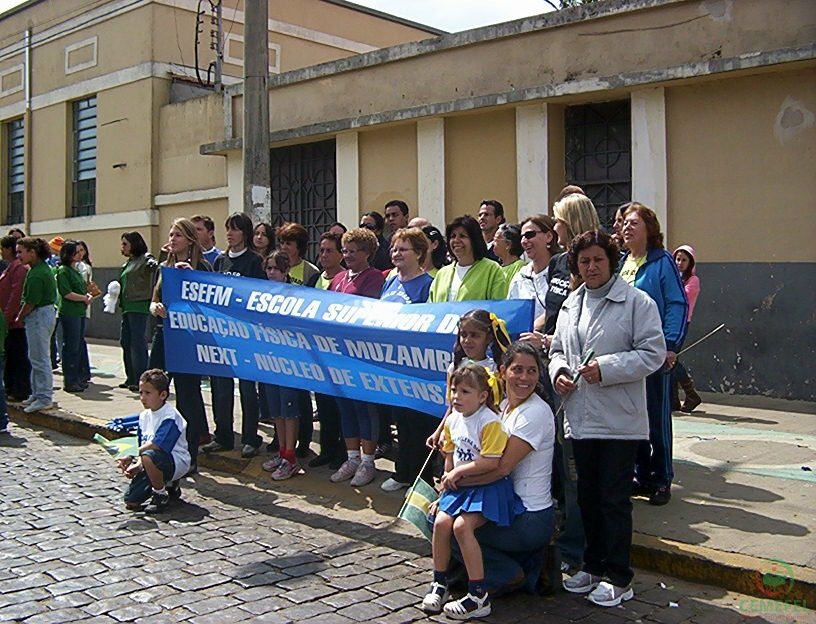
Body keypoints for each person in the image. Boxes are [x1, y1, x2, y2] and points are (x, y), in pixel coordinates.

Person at [550, 230, 665, 607]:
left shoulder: (637, 302)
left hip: (619, 419)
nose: (591, 267)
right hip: (581, 417)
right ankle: (593, 564)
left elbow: (652, 354)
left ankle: (619, 575)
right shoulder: (572, 303)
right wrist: (559, 372)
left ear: (611, 261)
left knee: (613, 499)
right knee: (587, 497)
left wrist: (607, 368)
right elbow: (557, 349)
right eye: (584, 261)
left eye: (598, 259)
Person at [448, 342, 556, 596]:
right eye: (517, 369)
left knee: (445, 523)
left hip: (528, 515)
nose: (524, 377)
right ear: (502, 371)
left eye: (532, 371)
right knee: (444, 516)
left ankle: (506, 573)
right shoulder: (504, 406)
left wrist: (453, 486)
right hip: (504, 501)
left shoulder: (535, 413)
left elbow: (501, 469)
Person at [423, 363, 522, 620]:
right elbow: (450, 456)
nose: (457, 397)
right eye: (454, 390)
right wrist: (445, 488)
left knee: (462, 527)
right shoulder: (452, 420)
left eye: (465, 392)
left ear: (482, 396)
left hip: (487, 487)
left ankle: (478, 593)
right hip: (461, 487)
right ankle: (439, 581)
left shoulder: (490, 423)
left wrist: (458, 473)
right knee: (441, 523)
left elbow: (490, 461)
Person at [620, 202, 688, 506]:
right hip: (625, 355)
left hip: (653, 353)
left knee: (656, 418)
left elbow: (676, 303)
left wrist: (670, 345)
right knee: (632, 418)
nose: (627, 227)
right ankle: (640, 473)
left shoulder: (662, 262)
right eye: (624, 223)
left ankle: (661, 479)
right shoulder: (622, 263)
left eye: (634, 223)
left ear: (649, 229)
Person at [149, 218, 211, 471]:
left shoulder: (202, 268)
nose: (172, 239)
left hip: (187, 340)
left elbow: (210, 306)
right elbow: (153, 300)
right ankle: (156, 450)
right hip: (163, 336)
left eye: (178, 235)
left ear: (190, 240)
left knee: (188, 398)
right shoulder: (164, 267)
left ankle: (190, 455)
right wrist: (155, 307)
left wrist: (191, 278)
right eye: (171, 234)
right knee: (154, 390)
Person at [202, 213, 266, 457]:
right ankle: (223, 436)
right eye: (228, 228)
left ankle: (250, 438)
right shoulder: (220, 261)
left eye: (236, 229)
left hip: (246, 335)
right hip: (222, 333)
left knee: (248, 389)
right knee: (221, 388)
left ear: (245, 233)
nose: (230, 233)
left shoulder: (254, 261)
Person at [379, 228, 436, 492]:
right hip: (393, 364)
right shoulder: (390, 281)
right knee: (401, 421)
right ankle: (403, 472)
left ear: (419, 253)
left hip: (417, 365)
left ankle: (422, 480)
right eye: (394, 249)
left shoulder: (427, 284)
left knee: (419, 424)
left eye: (403, 249)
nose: (396, 253)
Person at [328, 228, 385, 486]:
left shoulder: (374, 278)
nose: (348, 255)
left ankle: (368, 461)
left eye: (353, 251)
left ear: (367, 253)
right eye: (345, 250)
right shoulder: (338, 278)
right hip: (337, 353)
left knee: (364, 407)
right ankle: (351, 458)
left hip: (362, 354)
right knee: (345, 405)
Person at [427, 309, 511, 449]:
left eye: (475, 335)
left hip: (484, 435)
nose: (467, 340)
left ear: (489, 338)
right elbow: (452, 406)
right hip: (457, 432)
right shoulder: (455, 367)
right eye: (463, 334)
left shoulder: (496, 370)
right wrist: (440, 431)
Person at [260, 251, 309, 481]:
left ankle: (291, 456)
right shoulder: (261, 294)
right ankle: (282, 452)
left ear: (286, 271)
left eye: (276, 269)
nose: (272, 273)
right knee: (277, 411)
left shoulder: (294, 295)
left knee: (289, 411)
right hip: (269, 359)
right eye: (268, 268)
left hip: (288, 361)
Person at [119, 369, 191, 514]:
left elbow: (157, 445)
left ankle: (160, 495)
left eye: (148, 393)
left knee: (150, 456)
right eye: (141, 393)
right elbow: (143, 444)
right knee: (131, 500)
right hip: (152, 460)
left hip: (175, 460)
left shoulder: (170, 416)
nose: (142, 398)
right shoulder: (144, 416)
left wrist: (131, 453)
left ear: (162, 395)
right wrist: (138, 465)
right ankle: (168, 484)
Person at [306, 232, 346, 469]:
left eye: (329, 250)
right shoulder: (315, 279)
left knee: (340, 406)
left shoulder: (344, 279)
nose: (324, 255)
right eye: (321, 250)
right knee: (323, 404)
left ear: (341, 254)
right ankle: (327, 450)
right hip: (317, 351)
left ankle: (342, 452)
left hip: (339, 353)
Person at [15, 237, 57, 413]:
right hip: (43, 314)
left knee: (40, 358)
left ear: (32, 252)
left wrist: (19, 317)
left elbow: (31, 301)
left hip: (39, 315)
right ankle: (36, 393)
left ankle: (44, 397)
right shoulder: (37, 270)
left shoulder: (38, 274)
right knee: (35, 356)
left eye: (21, 252)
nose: (18, 256)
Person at [429, 216, 507, 303]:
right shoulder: (442, 273)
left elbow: (498, 305)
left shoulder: (492, 270)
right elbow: (431, 305)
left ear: (474, 240)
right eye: (453, 236)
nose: (456, 240)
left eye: (462, 236)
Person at [118, 232, 157, 392]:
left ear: (134, 244)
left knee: (137, 343)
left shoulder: (145, 259)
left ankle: (140, 378)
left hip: (138, 305)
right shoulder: (129, 262)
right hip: (127, 306)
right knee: (126, 341)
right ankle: (131, 377)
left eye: (125, 244)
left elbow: (154, 265)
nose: (122, 248)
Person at [507, 215, 559, 326]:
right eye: (522, 237)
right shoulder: (520, 278)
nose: (524, 241)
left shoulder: (562, 273)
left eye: (529, 235)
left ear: (549, 236)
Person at [55, 241, 93, 393]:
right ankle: (70, 380)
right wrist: (83, 298)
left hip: (80, 312)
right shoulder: (63, 271)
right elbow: (66, 293)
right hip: (70, 312)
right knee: (71, 347)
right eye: (76, 252)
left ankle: (77, 377)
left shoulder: (75, 270)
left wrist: (88, 295)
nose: (79, 255)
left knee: (77, 346)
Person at [0, 235, 31, 401]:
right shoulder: (10, 267)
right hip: (9, 321)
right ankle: (10, 388)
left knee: (18, 356)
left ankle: (20, 390)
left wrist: (7, 316)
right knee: (10, 356)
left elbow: (16, 294)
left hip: (15, 321)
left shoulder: (19, 268)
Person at [672, 245, 702, 412]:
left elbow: (681, 297)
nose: (680, 263)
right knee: (667, 361)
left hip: (682, 322)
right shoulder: (674, 277)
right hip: (669, 321)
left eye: (684, 260)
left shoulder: (693, 280)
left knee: (672, 359)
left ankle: (691, 394)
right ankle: (673, 399)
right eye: (677, 259)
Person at [276, 222, 318, 287]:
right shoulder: (273, 266)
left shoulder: (311, 271)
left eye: (288, 243)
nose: (284, 247)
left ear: (299, 246)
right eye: (282, 243)